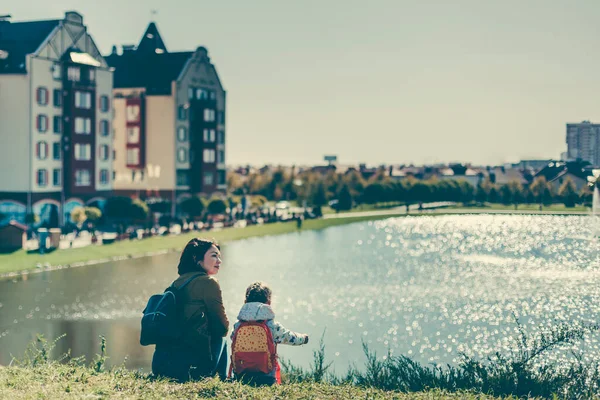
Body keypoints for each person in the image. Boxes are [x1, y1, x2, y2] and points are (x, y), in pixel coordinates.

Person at [152, 238, 229, 382]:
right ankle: (220, 381)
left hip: (164, 364)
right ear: (196, 258)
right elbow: (222, 327)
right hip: (193, 367)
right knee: (222, 339)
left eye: (219, 256)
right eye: (214, 255)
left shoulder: (177, 283)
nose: (219, 260)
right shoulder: (209, 282)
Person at [230, 282, 309, 386]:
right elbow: (290, 338)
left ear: (245, 302)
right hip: (266, 376)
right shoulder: (271, 326)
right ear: (269, 302)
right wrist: (303, 338)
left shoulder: (238, 325)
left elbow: (232, 338)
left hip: (241, 373)